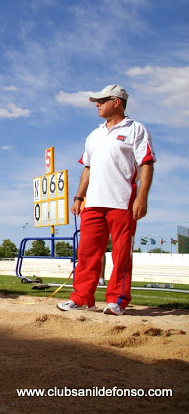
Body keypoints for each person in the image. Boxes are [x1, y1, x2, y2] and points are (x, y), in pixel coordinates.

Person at [57, 84, 155, 316]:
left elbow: (146, 164)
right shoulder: (94, 134)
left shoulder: (136, 129)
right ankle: (82, 298)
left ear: (117, 102)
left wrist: (142, 197)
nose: (97, 104)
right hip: (93, 203)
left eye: (102, 100)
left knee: (121, 254)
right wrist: (79, 197)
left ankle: (117, 300)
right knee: (87, 253)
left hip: (123, 202)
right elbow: (87, 169)